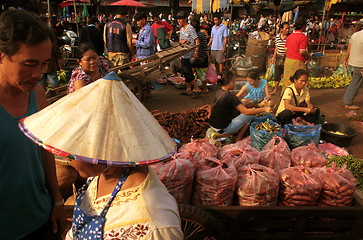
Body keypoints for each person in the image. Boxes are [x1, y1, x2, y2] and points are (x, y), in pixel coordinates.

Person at [0, 9, 65, 239]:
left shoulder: (37, 95)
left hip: (41, 220)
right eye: (30, 63)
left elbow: (44, 149)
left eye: (44, 64)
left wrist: (57, 200)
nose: (38, 74)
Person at [209, 71, 272, 142]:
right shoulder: (231, 96)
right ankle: (238, 139)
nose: (235, 84)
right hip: (223, 130)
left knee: (238, 111)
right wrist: (264, 109)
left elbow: (211, 106)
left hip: (212, 125)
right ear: (229, 82)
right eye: (233, 81)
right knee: (248, 116)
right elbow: (246, 111)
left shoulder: (218, 92)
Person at [176, 11, 201, 95]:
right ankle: (188, 89)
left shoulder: (190, 28)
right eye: (178, 19)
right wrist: (181, 41)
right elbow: (180, 41)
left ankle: (196, 88)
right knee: (185, 71)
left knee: (187, 71)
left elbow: (197, 41)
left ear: (185, 19)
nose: (179, 21)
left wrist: (196, 52)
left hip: (189, 54)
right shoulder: (182, 29)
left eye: (180, 19)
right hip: (183, 53)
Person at [282, 17, 310, 92]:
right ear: (303, 26)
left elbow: (286, 50)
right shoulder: (303, 37)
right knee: (301, 81)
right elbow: (302, 51)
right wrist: (309, 56)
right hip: (298, 62)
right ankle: (299, 99)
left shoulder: (289, 37)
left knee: (288, 81)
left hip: (288, 61)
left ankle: (286, 98)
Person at [133, 12, 155, 98]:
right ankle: (146, 90)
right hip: (140, 54)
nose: (137, 23)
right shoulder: (141, 29)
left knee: (147, 75)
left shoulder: (148, 29)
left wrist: (136, 42)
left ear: (144, 19)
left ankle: (148, 91)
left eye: (138, 21)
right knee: (143, 74)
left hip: (146, 55)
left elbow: (147, 44)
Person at [342, 24, 363, 110]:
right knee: (355, 83)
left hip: (352, 63)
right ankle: (347, 102)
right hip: (360, 65)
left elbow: (349, 49)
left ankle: (346, 100)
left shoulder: (355, 35)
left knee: (354, 82)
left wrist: (345, 60)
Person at [191, 19, 209, 93]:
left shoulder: (191, 35)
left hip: (192, 58)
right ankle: (204, 89)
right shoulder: (202, 35)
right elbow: (205, 47)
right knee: (202, 75)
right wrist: (208, 57)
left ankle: (195, 88)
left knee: (193, 74)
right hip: (202, 58)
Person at [271, 22, 289, 95]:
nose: (287, 30)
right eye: (286, 28)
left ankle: (284, 90)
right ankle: (275, 89)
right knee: (277, 73)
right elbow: (276, 48)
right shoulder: (277, 37)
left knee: (286, 74)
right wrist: (273, 57)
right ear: (281, 29)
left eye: (288, 28)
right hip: (279, 57)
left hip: (286, 57)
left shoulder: (289, 38)